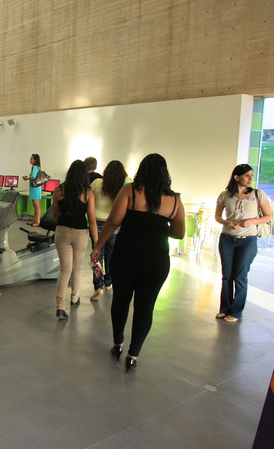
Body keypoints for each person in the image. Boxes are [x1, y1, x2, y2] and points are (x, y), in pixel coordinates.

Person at [91, 154, 185, 373]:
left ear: (141, 170)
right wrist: (158, 227)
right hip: (156, 261)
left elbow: (113, 222)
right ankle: (133, 355)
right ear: (165, 173)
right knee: (145, 307)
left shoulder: (130, 191)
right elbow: (179, 233)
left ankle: (118, 343)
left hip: (125, 257)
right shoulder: (174, 201)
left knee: (121, 300)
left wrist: (98, 246)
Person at [214, 164, 271, 323]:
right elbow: (217, 217)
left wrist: (252, 221)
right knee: (227, 276)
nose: (250, 178)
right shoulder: (225, 195)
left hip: (248, 241)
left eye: (251, 175)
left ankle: (236, 312)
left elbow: (268, 216)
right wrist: (227, 222)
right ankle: (224, 309)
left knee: (240, 276)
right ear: (237, 177)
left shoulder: (258, 194)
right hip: (227, 239)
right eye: (247, 175)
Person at [52, 160, 98, 320]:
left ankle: (60, 307)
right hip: (81, 233)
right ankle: (74, 298)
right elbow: (92, 220)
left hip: (62, 231)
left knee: (65, 270)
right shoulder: (88, 193)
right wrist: (97, 243)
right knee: (76, 268)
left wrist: (63, 224)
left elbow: (55, 214)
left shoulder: (58, 190)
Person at [89, 160, 127, 299]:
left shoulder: (96, 183)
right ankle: (109, 282)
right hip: (114, 225)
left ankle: (98, 285)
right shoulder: (123, 186)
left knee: (96, 255)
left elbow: (89, 199)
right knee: (111, 255)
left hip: (97, 224)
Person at [22, 154, 43, 226]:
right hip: (34, 189)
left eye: (31, 158)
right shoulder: (35, 167)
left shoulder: (35, 167)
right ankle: (34, 220)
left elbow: (33, 176)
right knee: (35, 205)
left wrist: (26, 178)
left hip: (35, 189)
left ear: (35, 160)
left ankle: (37, 222)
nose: (30, 160)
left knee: (37, 206)